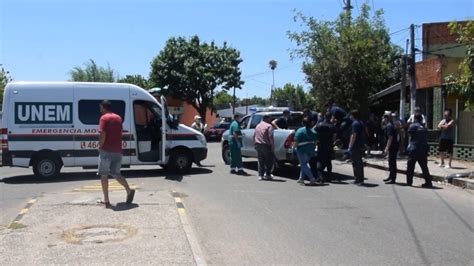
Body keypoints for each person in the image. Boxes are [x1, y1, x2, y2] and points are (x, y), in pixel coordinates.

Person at [98, 100, 135, 208]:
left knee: (104, 175)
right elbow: (120, 133)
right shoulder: (118, 118)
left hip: (106, 150)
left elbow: (102, 134)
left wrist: (100, 146)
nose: (100, 110)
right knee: (116, 173)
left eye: (100, 108)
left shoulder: (103, 118)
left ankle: (106, 200)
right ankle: (128, 190)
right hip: (118, 150)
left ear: (103, 107)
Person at [406, 114, 433, 188]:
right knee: (424, 166)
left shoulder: (412, 126)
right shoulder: (424, 127)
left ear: (415, 119)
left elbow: (409, 134)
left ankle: (409, 182)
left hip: (414, 148)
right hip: (423, 149)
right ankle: (428, 182)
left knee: (410, 166)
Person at [294, 117, 318, 185]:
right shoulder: (314, 131)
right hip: (311, 150)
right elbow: (316, 142)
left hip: (302, 150)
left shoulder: (300, 131)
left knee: (303, 164)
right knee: (304, 164)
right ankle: (301, 178)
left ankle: (312, 178)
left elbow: (296, 142)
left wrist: (294, 148)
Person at [315, 113, 337, 182]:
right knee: (328, 161)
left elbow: (315, 133)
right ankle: (329, 177)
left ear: (324, 117)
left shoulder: (319, 125)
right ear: (330, 117)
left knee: (319, 160)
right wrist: (332, 143)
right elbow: (334, 136)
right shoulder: (332, 126)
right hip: (329, 145)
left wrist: (316, 142)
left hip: (320, 145)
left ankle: (319, 175)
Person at [346, 110, 365, 185]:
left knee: (356, 163)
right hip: (360, 145)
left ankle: (359, 179)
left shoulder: (355, 124)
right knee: (358, 162)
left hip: (356, 146)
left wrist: (350, 146)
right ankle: (359, 179)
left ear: (353, 116)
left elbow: (354, 135)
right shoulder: (361, 122)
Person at [253, 115, 274, 180]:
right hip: (266, 145)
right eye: (270, 119)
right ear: (267, 119)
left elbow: (254, 136)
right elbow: (270, 136)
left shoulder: (257, 125)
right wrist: (272, 145)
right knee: (269, 160)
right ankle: (268, 174)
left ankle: (260, 175)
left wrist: (254, 144)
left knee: (260, 160)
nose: (270, 121)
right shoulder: (269, 126)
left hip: (258, 144)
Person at [382, 114, 399, 184]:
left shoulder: (389, 127)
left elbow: (390, 138)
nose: (382, 120)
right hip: (393, 147)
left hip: (393, 147)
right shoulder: (389, 126)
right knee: (390, 162)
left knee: (392, 163)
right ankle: (390, 176)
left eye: (383, 118)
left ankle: (393, 178)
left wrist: (387, 148)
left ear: (386, 119)